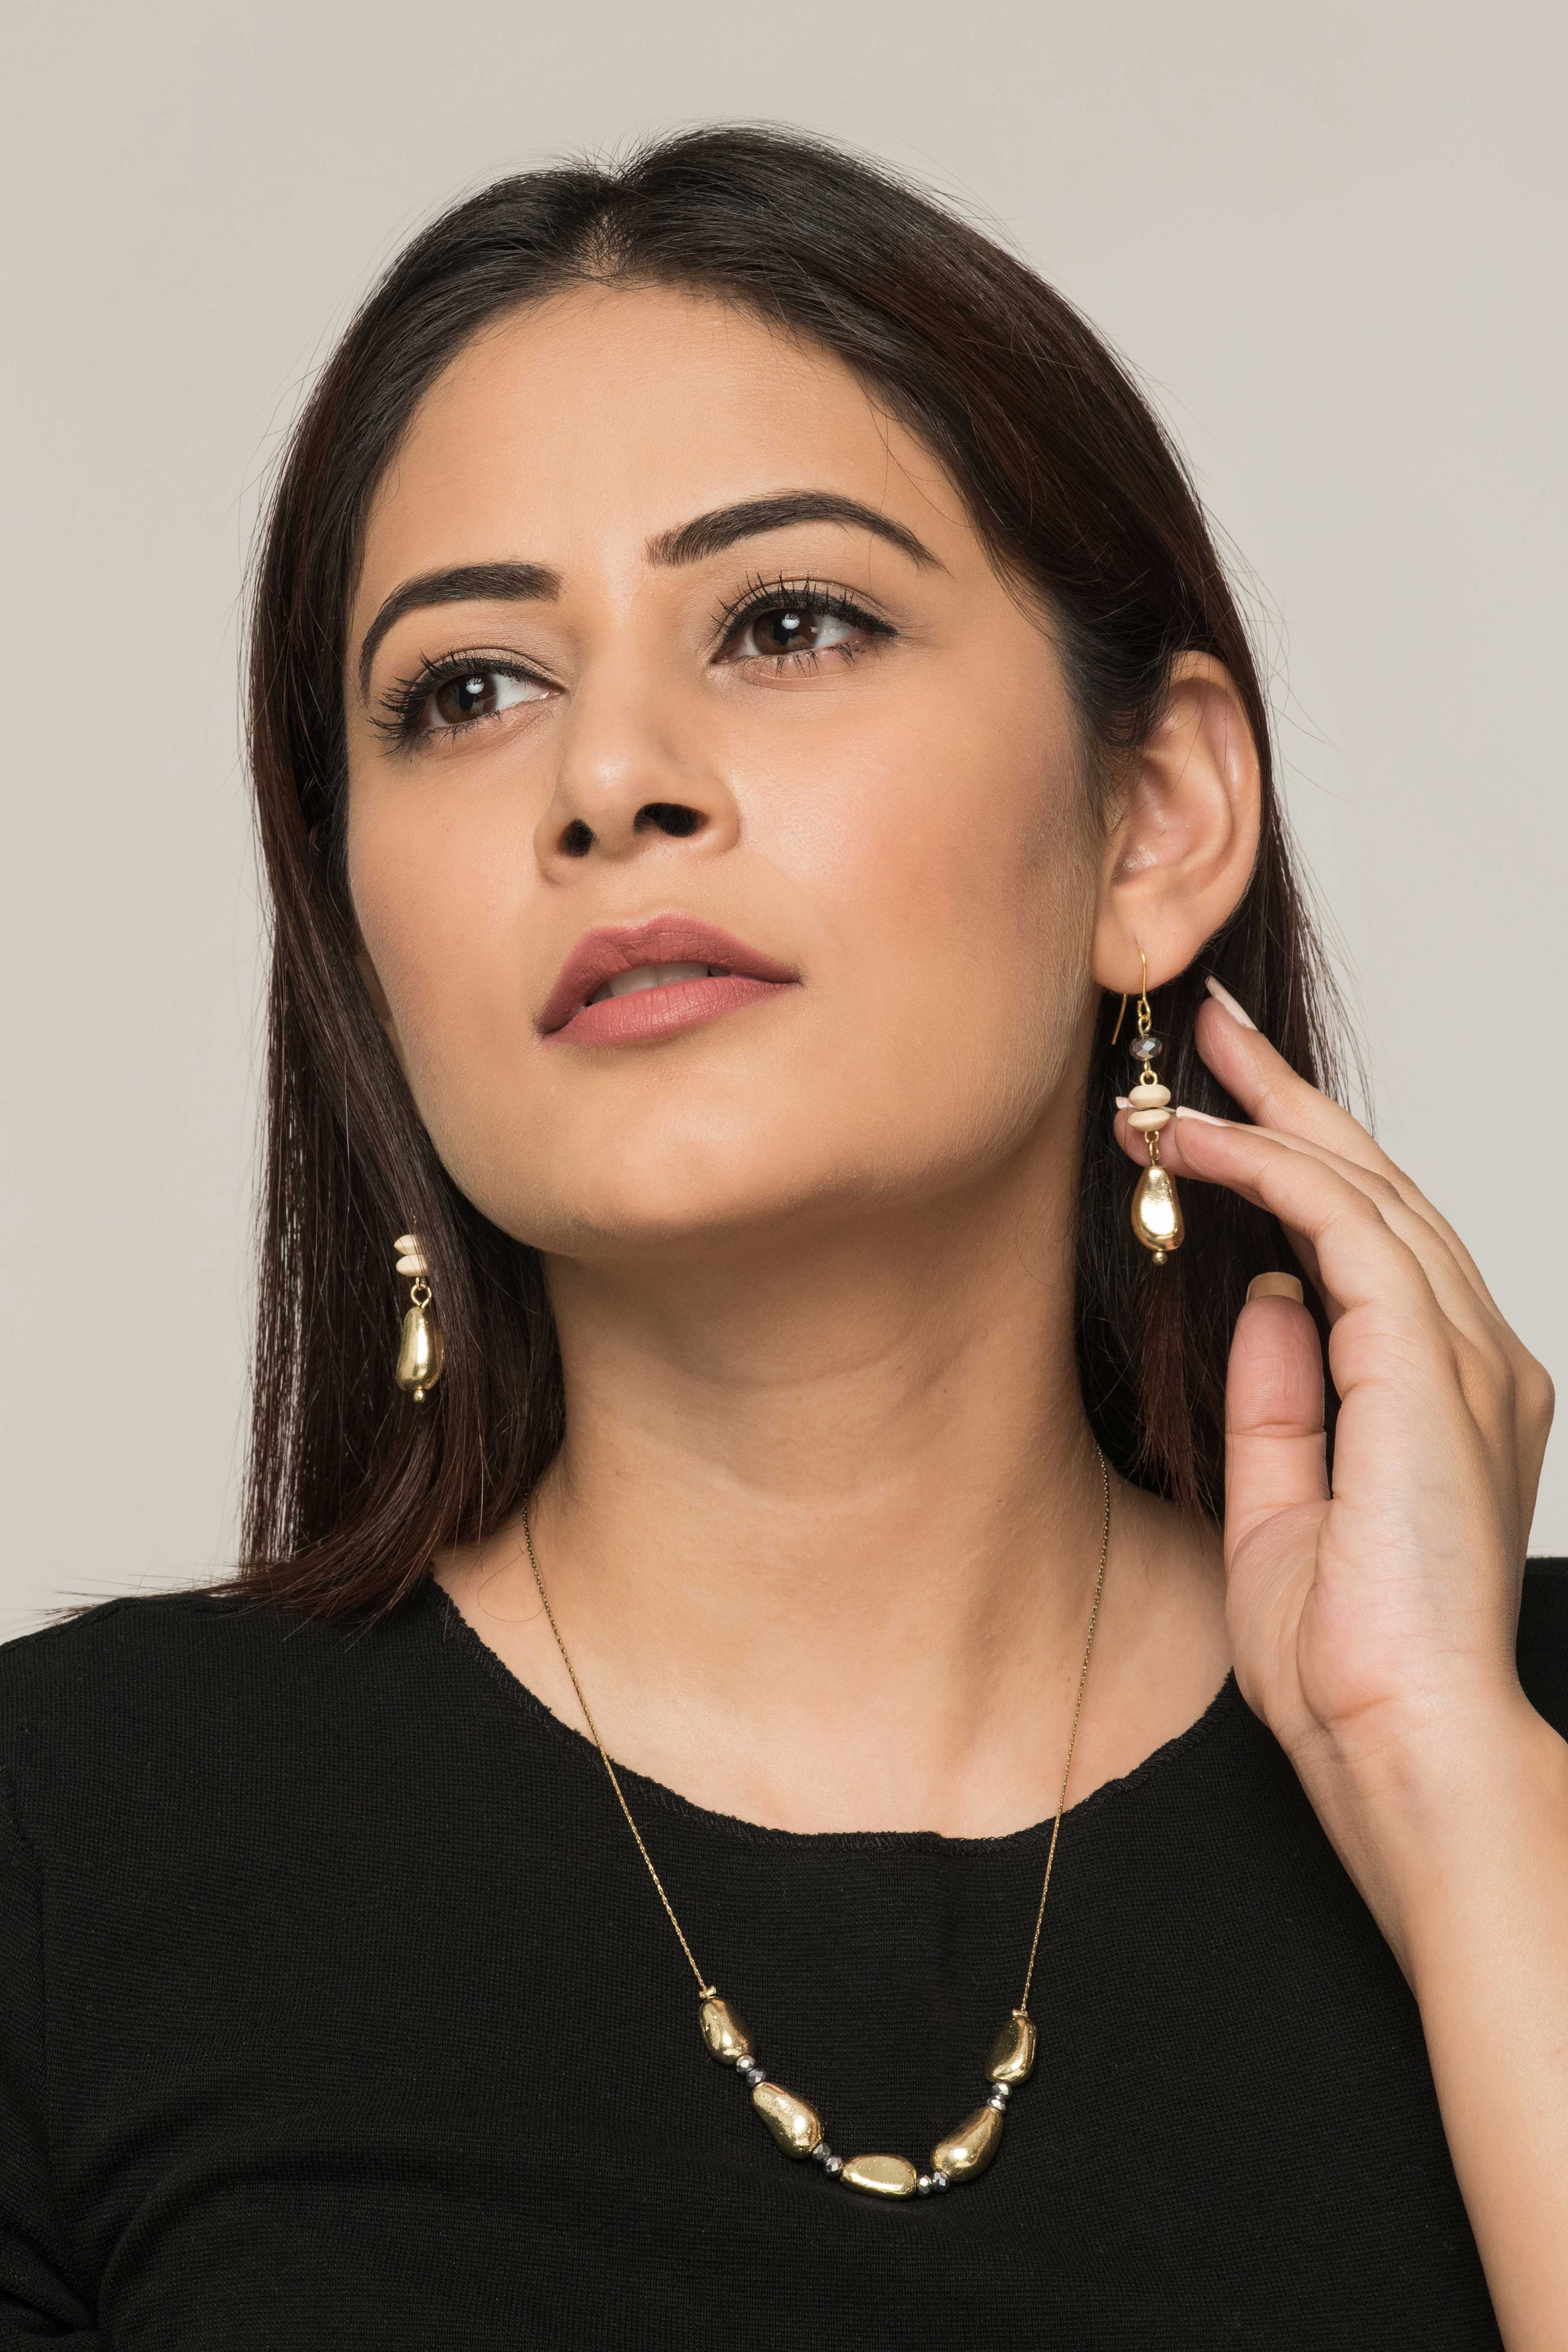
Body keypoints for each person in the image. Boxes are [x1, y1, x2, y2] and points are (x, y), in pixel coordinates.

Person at [1, 124, 1562, 2350]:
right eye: (465, 688)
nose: (608, 775)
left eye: (786, 621)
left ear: (1154, 813)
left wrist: (1452, 1782)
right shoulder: (69, 1848)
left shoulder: (1519, 1764)